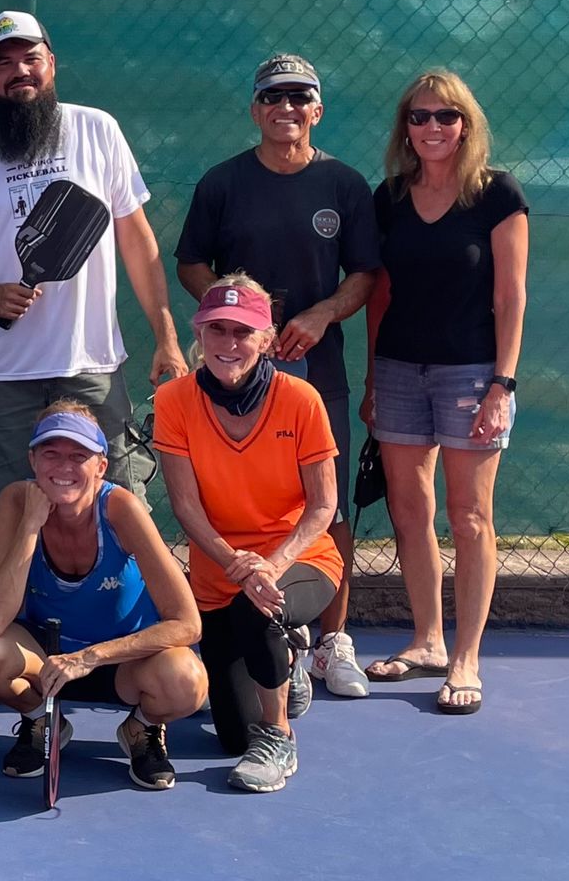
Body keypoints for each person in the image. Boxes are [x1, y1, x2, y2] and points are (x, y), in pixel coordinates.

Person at [0, 10, 188, 521]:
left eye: (31, 58)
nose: (19, 70)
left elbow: (137, 240)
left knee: (115, 512)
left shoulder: (97, 130)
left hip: (90, 365)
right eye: (4, 63)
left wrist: (166, 337)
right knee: (8, 518)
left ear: (52, 63)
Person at [174, 52, 380, 699]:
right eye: (272, 97)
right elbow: (189, 264)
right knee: (230, 499)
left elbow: (364, 275)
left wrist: (322, 313)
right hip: (236, 374)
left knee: (328, 505)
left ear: (317, 110)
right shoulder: (223, 183)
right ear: (255, 109)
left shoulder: (344, 185)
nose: (285, 108)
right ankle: (261, 633)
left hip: (317, 371)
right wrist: (240, 320)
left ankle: (330, 641)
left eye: (298, 98)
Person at [360, 71, 527, 716]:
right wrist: (373, 379)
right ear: (406, 127)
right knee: (409, 512)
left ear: (466, 124)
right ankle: (427, 641)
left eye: (446, 116)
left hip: (473, 374)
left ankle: (466, 657)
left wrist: (501, 384)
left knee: (470, 516)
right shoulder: (390, 197)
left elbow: (510, 297)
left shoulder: (497, 194)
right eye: (420, 116)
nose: (432, 127)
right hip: (399, 370)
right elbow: (379, 295)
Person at [154, 276, 342, 793]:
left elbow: (323, 505)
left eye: (243, 331)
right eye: (217, 329)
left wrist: (271, 566)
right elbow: (185, 505)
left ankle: (280, 738)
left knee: (259, 608)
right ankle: (286, 661)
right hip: (220, 576)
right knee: (233, 735)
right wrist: (237, 563)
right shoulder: (173, 400)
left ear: (266, 339)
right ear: (200, 333)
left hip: (300, 562)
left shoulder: (301, 399)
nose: (229, 343)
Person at [0, 402, 207, 790]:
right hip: (46, 663)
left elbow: (187, 623)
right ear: (33, 459)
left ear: (101, 467)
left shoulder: (122, 509)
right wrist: (30, 526)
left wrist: (88, 658)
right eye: (51, 454)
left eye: (79, 456)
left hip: (123, 664)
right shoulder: (16, 501)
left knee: (187, 681)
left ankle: (142, 729)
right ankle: (42, 720)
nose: (63, 467)